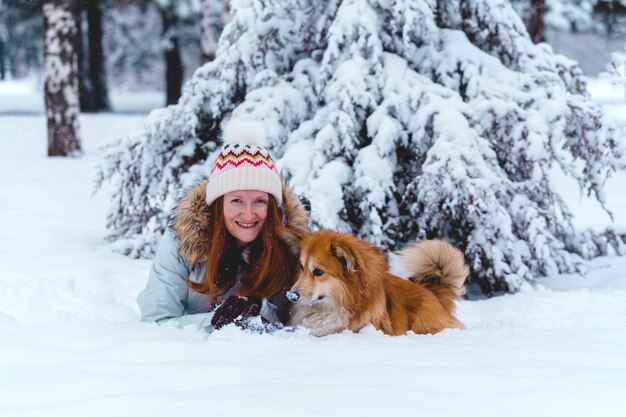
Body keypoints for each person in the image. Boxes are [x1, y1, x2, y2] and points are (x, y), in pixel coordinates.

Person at [137, 119, 310, 332]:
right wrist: (214, 320)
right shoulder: (182, 242)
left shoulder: (289, 246)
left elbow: (296, 323)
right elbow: (156, 322)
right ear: (219, 204)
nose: (248, 214)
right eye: (236, 200)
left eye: (259, 201)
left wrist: (259, 311)